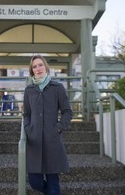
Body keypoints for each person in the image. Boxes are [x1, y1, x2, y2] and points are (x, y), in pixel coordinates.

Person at [23, 55, 72, 195]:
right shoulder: (29, 90)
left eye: (40, 65)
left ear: (46, 67)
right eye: (34, 66)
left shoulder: (57, 88)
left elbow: (67, 112)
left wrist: (58, 127)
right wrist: (28, 129)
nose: (38, 68)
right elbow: (26, 113)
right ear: (32, 70)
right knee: (34, 181)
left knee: (53, 183)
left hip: (52, 141)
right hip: (34, 141)